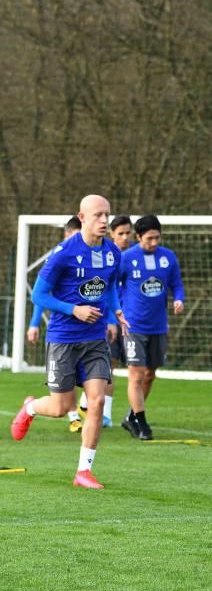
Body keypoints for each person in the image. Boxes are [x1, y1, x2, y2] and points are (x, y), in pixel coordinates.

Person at [10, 195, 128, 489]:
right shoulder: (63, 253)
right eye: (98, 215)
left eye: (107, 215)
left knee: (98, 401)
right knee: (61, 407)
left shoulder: (113, 252)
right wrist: (73, 309)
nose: (104, 221)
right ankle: (30, 408)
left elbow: (110, 285)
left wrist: (116, 312)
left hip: (94, 340)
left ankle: (83, 472)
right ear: (82, 217)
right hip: (63, 339)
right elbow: (38, 296)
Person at [119, 215, 185, 441]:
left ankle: (131, 416)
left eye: (157, 238)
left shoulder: (168, 257)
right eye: (149, 239)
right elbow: (112, 287)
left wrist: (179, 299)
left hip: (158, 326)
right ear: (138, 238)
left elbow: (176, 283)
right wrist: (118, 312)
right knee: (136, 375)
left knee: (150, 375)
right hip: (133, 326)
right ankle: (142, 423)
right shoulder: (127, 258)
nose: (154, 242)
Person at [26, 216, 85, 431]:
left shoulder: (91, 258)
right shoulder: (59, 257)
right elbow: (42, 295)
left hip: (87, 330)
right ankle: (70, 414)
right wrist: (34, 323)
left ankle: (76, 415)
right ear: (67, 234)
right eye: (75, 235)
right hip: (63, 332)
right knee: (65, 386)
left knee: (84, 375)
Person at [79, 214, 133, 428]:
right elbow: (107, 290)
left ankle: (104, 413)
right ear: (111, 234)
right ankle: (87, 405)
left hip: (128, 320)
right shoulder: (104, 254)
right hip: (107, 319)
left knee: (113, 367)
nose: (125, 237)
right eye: (121, 233)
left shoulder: (134, 256)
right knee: (103, 365)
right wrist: (111, 319)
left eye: (128, 233)